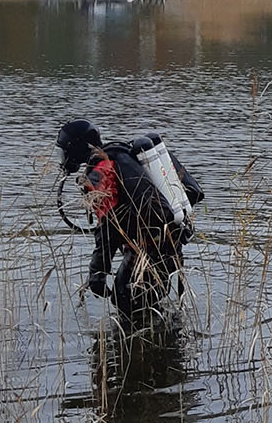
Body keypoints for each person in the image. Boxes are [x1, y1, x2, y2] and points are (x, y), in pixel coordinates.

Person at [56, 120, 204, 321]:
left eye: (64, 153)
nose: (63, 159)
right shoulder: (121, 156)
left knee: (126, 301)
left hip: (151, 249)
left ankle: (143, 345)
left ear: (77, 149)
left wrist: (97, 273)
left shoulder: (101, 172)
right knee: (144, 306)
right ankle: (164, 344)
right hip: (166, 242)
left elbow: (108, 228)